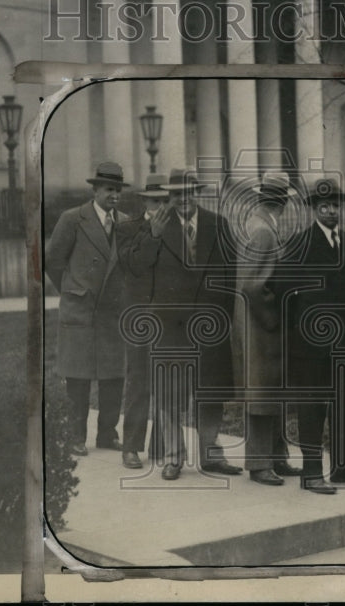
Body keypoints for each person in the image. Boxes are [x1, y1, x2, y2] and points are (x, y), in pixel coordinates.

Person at [122, 167, 241, 480]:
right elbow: (137, 267)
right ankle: (174, 457)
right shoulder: (157, 225)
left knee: (211, 392)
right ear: (169, 196)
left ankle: (211, 454)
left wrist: (224, 318)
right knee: (170, 394)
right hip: (170, 326)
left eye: (188, 193)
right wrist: (153, 236)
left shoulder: (219, 224)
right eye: (177, 194)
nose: (183, 199)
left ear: (196, 194)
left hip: (209, 324)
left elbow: (230, 275)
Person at [285, 177, 345, 494]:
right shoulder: (300, 242)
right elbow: (283, 290)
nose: (331, 211)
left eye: (335, 205)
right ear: (314, 209)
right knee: (312, 407)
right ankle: (312, 473)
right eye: (324, 206)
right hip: (310, 343)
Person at [45, 162, 130, 458]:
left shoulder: (126, 223)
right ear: (95, 190)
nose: (114, 195)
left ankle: (107, 434)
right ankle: (75, 436)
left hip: (112, 311)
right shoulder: (72, 219)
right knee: (78, 377)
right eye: (108, 189)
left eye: (118, 190)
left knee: (113, 376)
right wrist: (74, 290)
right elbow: (53, 261)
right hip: (80, 310)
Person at [232, 171, 301, 486]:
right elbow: (254, 285)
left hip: (258, 324)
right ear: (283, 202)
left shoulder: (259, 225)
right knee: (261, 393)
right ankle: (260, 463)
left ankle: (276, 456)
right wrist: (276, 317)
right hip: (261, 326)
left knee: (271, 390)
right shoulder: (262, 231)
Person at [117, 173, 170, 470]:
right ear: (144, 201)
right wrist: (153, 236)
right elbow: (134, 264)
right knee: (138, 379)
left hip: (168, 314)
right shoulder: (127, 228)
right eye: (154, 200)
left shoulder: (176, 229)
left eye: (164, 200)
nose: (159, 206)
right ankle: (131, 447)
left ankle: (161, 446)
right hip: (137, 313)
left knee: (165, 380)